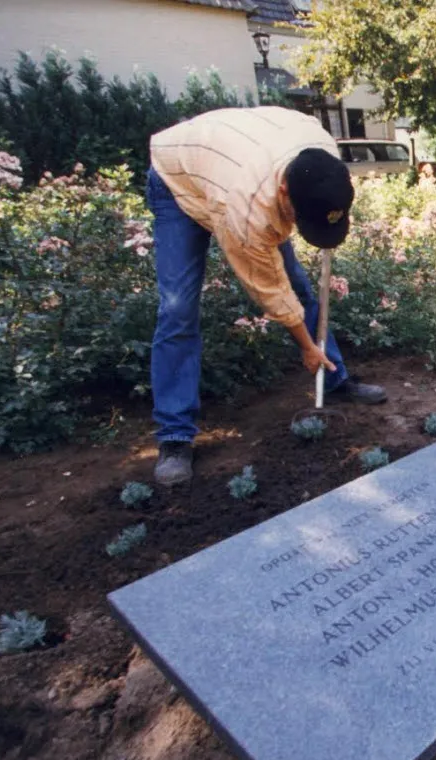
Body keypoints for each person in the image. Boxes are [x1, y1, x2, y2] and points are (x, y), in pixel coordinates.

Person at [146, 106, 387, 486]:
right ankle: (175, 437)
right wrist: (306, 346)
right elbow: (270, 291)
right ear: (283, 190)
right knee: (178, 309)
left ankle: (334, 378)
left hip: (238, 161)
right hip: (179, 179)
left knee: (303, 288)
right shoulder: (245, 208)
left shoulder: (320, 156)